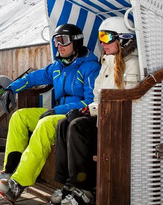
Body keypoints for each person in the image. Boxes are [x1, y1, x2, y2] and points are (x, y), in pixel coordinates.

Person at [0, 24, 100, 203]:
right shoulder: (58, 67)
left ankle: (19, 183)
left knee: (44, 124)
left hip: (74, 116)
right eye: (56, 41)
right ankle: (10, 170)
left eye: (63, 41)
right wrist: (11, 89)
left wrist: (57, 110)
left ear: (76, 42)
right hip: (56, 112)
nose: (59, 45)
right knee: (19, 116)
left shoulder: (90, 67)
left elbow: (89, 102)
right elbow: (32, 78)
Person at [51, 16, 140, 205]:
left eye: (107, 37)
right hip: (103, 115)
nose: (102, 42)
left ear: (123, 38)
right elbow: (97, 94)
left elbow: (124, 99)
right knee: (63, 123)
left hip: (117, 121)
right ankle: (68, 183)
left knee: (78, 126)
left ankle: (83, 188)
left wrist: (90, 111)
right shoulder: (107, 62)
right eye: (100, 37)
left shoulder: (132, 64)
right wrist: (87, 109)